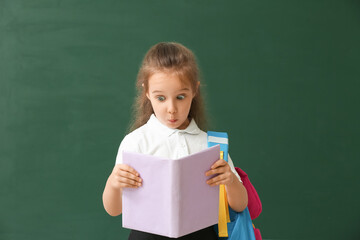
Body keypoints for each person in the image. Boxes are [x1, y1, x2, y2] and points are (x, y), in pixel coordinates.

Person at [102, 42, 248, 240]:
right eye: (161, 98)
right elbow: (114, 210)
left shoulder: (211, 144)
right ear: (146, 92)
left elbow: (240, 205)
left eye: (180, 96)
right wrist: (113, 183)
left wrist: (230, 179)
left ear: (194, 91)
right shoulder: (135, 142)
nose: (171, 108)